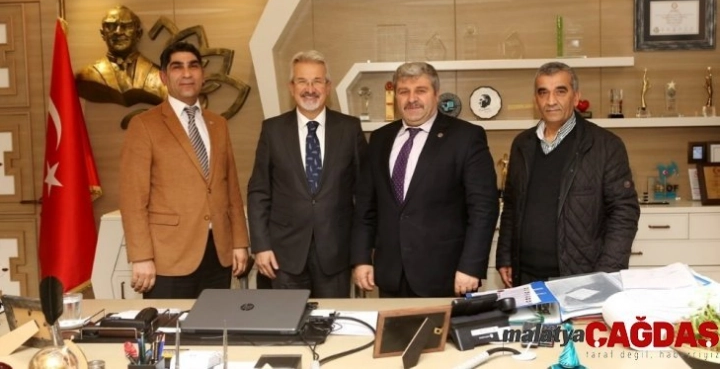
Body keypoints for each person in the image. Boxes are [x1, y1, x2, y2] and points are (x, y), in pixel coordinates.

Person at [351, 62, 499, 298]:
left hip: (446, 277)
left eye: (420, 90)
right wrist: (361, 259)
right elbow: (365, 207)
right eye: (404, 91)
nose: (412, 99)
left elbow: (483, 209)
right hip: (390, 275)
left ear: (436, 94)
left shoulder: (466, 137)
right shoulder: (379, 139)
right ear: (395, 96)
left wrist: (471, 266)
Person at [119, 41, 249, 298]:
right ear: (164, 77)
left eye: (193, 66)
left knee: (214, 322)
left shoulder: (218, 124)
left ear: (202, 74)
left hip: (218, 254)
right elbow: (133, 198)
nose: (187, 73)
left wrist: (240, 242)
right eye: (177, 67)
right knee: (169, 324)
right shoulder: (144, 125)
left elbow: (230, 188)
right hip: (168, 257)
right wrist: (141, 256)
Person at [496, 61, 640, 288]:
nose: (551, 101)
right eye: (543, 92)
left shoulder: (606, 145)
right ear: (536, 99)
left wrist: (606, 275)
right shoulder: (522, 144)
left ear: (576, 97)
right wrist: (505, 255)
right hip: (525, 278)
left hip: (581, 279)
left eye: (560, 91)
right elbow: (511, 207)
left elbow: (624, 214)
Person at [247, 50, 367, 298]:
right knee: (286, 320)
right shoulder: (272, 130)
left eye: (317, 81)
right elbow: (259, 191)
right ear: (291, 87)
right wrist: (261, 246)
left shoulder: (349, 129)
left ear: (328, 87)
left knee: (334, 319)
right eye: (302, 81)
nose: (310, 89)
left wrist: (361, 255)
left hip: (335, 255)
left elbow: (364, 195)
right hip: (283, 256)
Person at [76, 5, 167, 106]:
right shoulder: (85, 75)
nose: (118, 32)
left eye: (127, 26)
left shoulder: (159, 77)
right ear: (102, 34)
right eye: (111, 26)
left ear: (138, 34)